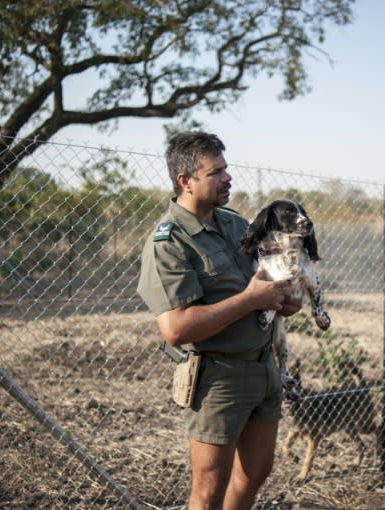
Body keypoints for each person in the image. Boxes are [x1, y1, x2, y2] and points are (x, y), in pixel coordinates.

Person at [137, 131, 301, 510]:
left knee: (255, 473)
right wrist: (248, 301)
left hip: (263, 367)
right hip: (218, 378)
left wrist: (281, 299)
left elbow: (265, 280)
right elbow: (175, 329)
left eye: (226, 170)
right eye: (216, 172)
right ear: (185, 181)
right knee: (210, 487)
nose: (228, 178)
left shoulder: (234, 223)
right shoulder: (169, 242)